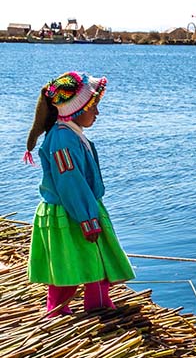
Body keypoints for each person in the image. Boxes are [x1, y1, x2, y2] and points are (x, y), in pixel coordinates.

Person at [24, 71, 134, 315]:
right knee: (69, 262)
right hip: (70, 211)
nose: (97, 113)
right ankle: (57, 309)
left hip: (83, 206)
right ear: (75, 110)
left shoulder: (72, 133)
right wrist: (86, 217)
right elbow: (69, 181)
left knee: (97, 257)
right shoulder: (63, 139)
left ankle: (99, 304)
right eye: (93, 108)